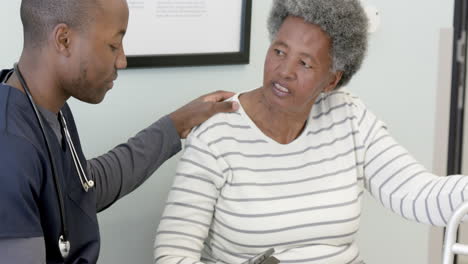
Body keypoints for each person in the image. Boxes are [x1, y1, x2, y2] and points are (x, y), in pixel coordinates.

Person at [153, 0, 468, 263]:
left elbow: (417, 193)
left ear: (331, 80)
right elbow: (173, 254)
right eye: (279, 51)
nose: (284, 71)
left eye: (304, 63)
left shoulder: (349, 118)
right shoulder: (217, 134)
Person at [0, 0, 239, 263]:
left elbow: (83, 187)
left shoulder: (43, 110)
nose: (122, 61)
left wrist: (177, 123)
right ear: (64, 40)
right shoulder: (10, 151)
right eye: (113, 46)